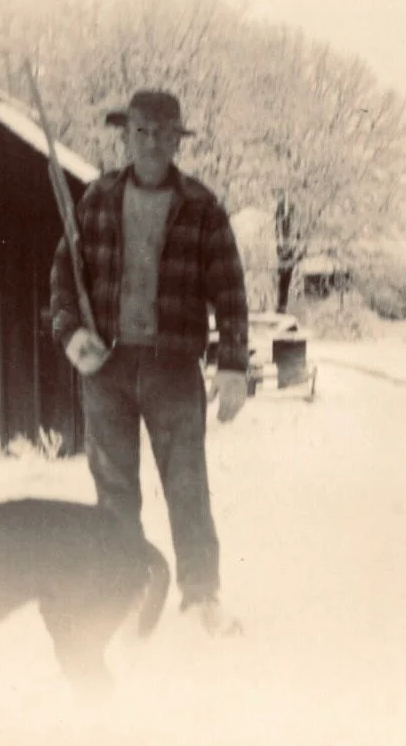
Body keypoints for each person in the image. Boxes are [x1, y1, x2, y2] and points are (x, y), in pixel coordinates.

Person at [49, 89, 249, 637]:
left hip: (173, 369)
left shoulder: (202, 208)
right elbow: (64, 280)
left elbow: (229, 288)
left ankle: (201, 597)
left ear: (177, 138)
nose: (152, 143)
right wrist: (71, 334)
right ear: (126, 136)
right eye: (141, 132)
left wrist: (233, 364)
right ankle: (125, 586)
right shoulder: (96, 200)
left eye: (163, 133)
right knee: (113, 489)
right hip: (107, 368)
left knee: (187, 483)